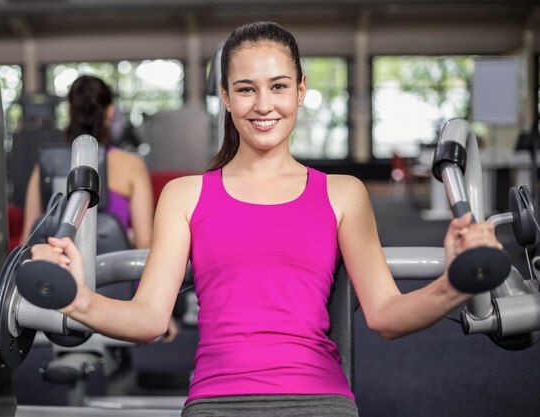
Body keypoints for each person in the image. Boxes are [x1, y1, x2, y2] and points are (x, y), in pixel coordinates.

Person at [31, 22, 502, 416]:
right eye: (246, 89)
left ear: (300, 91)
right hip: (218, 400)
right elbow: (151, 318)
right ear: (226, 97)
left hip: (319, 399)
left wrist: (458, 283)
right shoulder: (184, 195)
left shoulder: (343, 194)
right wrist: (76, 299)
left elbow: (386, 316)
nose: (263, 104)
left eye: (278, 86)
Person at [21, 74, 178, 342]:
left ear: (70, 111)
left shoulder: (43, 166)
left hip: (55, 295)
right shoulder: (132, 166)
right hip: (115, 299)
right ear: (110, 111)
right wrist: (157, 311)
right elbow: (144, 244)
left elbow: (29, 240)